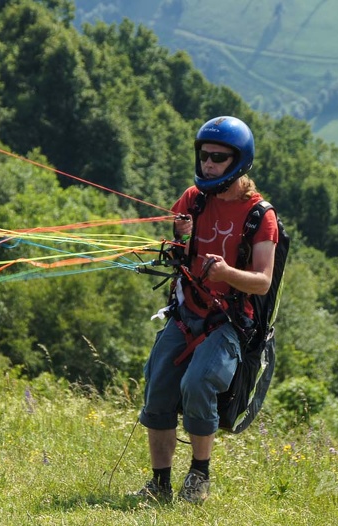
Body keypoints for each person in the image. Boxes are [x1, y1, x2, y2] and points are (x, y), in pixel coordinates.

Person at [136, 116, 279, 504]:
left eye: (218, 157)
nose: (209, 165)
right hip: (187, 312)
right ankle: (159, 485)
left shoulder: (259, 216)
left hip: (229, 321)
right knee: (159, 387)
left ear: (238, 161)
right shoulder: (193, 200)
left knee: (198, 383)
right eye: (204, 157)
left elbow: (263, 281)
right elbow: (179, 249)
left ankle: (199, 476)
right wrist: (179, 236)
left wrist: (228, 272)